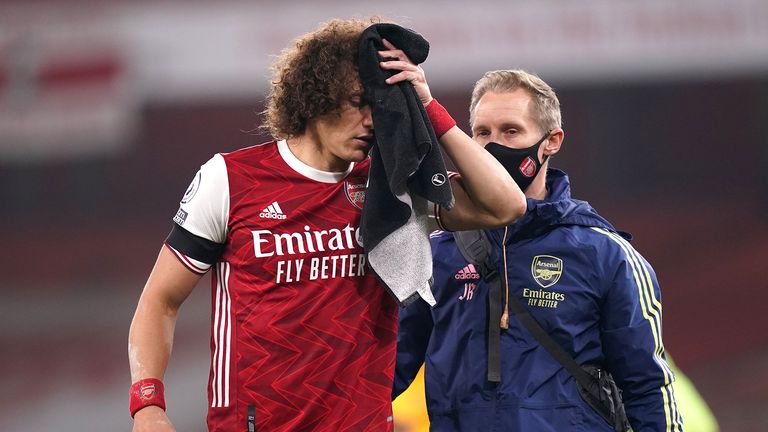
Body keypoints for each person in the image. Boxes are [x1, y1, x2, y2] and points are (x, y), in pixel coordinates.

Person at [127, 19, 527, 432]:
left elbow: (505, 206)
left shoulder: (393, 188)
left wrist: (426, 105)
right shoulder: (230, 180)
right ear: (316, 96)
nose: (372, 121)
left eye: (380, 105)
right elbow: (161, 300)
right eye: (358, 102)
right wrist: (148, 405)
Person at [394, 69, 684, 431]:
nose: (492, 145)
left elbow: (648, 387)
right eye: (482, 133)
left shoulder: (605, 254)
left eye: (511, 131)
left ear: (552, 141)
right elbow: (387, 368)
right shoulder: (435, 253)